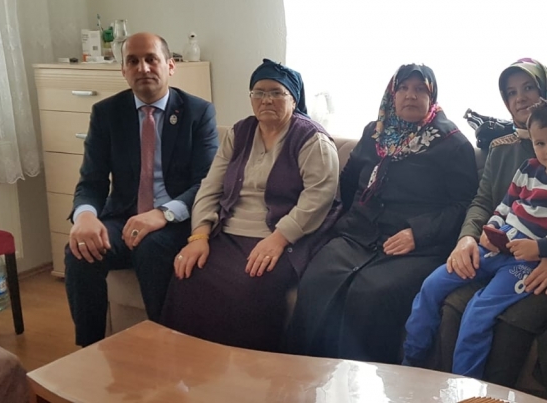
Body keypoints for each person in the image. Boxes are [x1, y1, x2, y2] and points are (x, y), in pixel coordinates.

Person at [285, 64, 479, 364]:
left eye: (420, 89)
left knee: (373, 293)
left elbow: (463, 205)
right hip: (358, 237)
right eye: (403, 88)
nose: (410, 95)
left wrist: (418, 233)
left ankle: (362, 381)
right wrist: (350, 219)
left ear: (432, 96)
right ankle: (303, 373)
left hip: (415, 247)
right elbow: (349, 181)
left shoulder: (452, 143)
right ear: (392, 94)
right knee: (318, 278)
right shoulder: (375, 132)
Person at [437, 58, 547, 386]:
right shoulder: (500, 148)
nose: (520, 97)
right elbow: (483, 202)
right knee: (452, 307)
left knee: (512, 322)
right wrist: (467, 238)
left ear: (544, 89)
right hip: (503, 250)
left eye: (529, 87)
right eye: (511, 92)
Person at [403, 99, 547, 378]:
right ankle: (411, 362)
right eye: (540, 143)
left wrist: (540, 249)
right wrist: (490, 229)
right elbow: (505, 206)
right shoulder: (527, 169)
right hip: (498, 245)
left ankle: (466, 387)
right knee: (432, 285)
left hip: (528, 261)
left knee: (478, 312)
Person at [159, 59, 341, 352]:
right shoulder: (240, 133)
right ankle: (188, 364)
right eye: (259, 92)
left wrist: (278, 239)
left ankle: (250, 371)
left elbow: (319, 197)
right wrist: (199, 236)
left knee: (250, 287)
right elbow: (210, 186)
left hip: (284, 237)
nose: (266, 99)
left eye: (276, 92)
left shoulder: (312, 139)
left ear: (293, 99)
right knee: (187, 275)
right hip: (228, 233)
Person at [64, 32, 218, 347]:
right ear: (123, 70)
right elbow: (91, 181)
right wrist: (85, 216)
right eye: (133, 61)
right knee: (79, 250)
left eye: (151, 59)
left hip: (176, 220)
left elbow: (206, 183)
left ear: (170, 66)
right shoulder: (106, 113)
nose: (143, 68)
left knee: (151, 247)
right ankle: (89, 350)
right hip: (124, 216)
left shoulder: (197, 112)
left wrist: (162, 214)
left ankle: (166, 347)